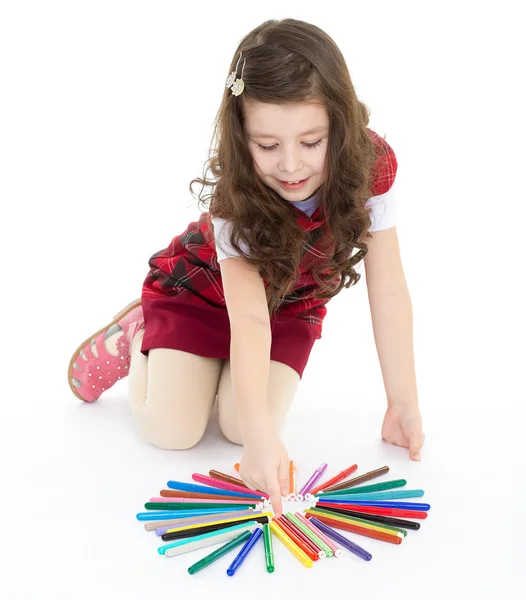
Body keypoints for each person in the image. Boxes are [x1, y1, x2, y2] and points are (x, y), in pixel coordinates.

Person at [67, 18, 424, 516]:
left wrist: (402, 400)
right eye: (268, 146)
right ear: (242, 136)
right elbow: (248, 317)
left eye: (311, 141)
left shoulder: (371, 167)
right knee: (173, 431)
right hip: (203, 300)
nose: (292, 165)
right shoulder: (237, 197)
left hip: (289, 311)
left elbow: (388, 290)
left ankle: (213, 377)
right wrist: (262, 439)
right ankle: (140, 335)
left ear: (339, 124)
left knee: (240, 426)